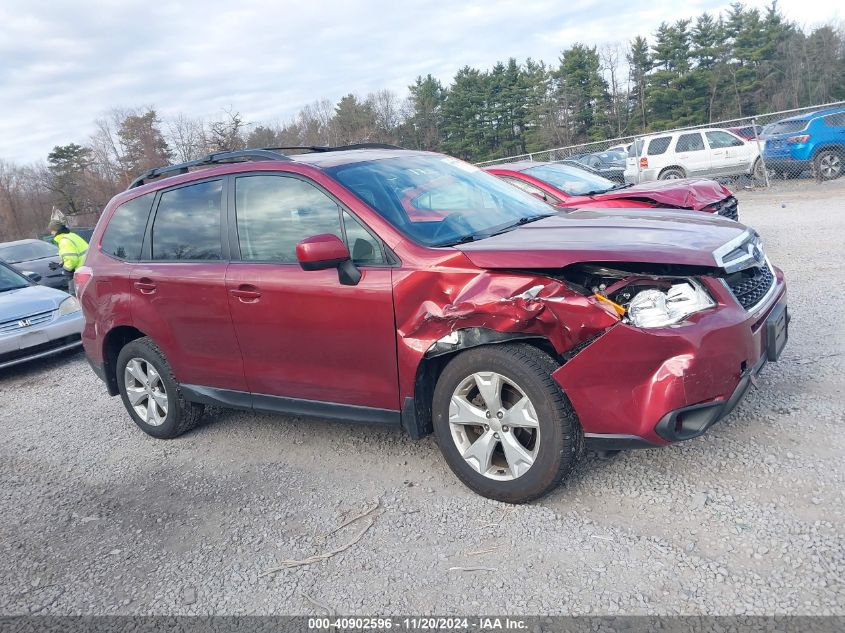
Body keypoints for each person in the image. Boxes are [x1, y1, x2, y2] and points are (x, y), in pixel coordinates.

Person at [47, 220, 89, 294]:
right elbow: (74, 255)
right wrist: (61, 264)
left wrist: (67, 269)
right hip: (87, 268)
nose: (51, 233)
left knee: (75, 296)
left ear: (55, 230)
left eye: (52, 231)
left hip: (80, 272)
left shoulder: (64, 241)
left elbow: (72, 260)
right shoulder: (72, 235)